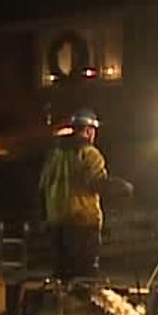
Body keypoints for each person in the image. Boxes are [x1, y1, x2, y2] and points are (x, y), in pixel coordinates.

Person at [37, 108, 129, 279]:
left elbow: (42, 188)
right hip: (82, 224)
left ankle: (61, 304)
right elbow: (95, 183)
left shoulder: (54, 155)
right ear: (88, 131)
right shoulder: (90, 154)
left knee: (61, 276)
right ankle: (81, 304)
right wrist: (120, 187)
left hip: (56, 223)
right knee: (84, 276)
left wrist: (45, 218)